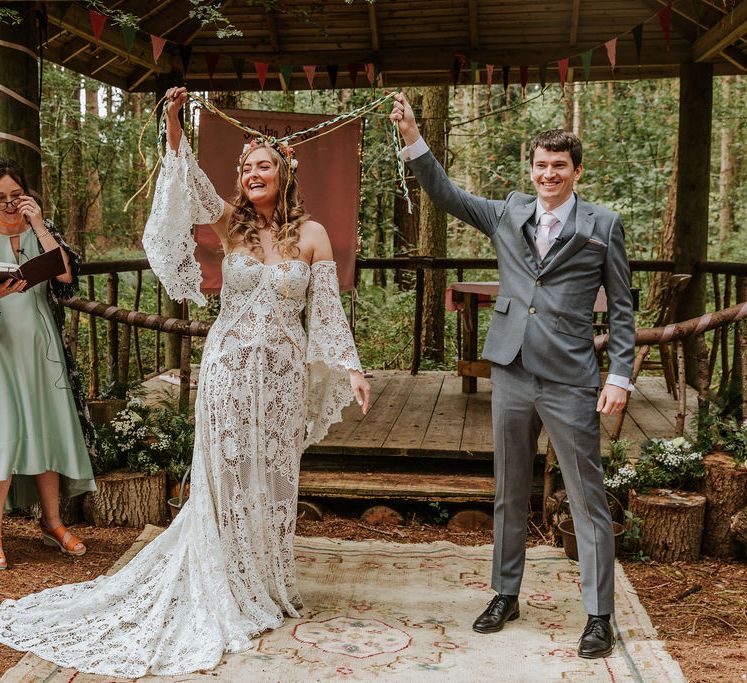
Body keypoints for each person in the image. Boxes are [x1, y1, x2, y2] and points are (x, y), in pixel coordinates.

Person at [0, 88, 370, 677]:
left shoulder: (314, 235)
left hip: (279, 378)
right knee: (224, 481)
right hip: (227, 370)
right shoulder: (230, 225)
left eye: (263, 165)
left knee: (271, 481)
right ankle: (223, 583)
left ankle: (265, 584)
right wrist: (174, 124)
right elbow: (187, 182)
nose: (252, 174)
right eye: (245, 167)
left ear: (286, 173)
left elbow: (325, 313)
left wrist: (350, 368)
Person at [391, 92, 635, 659]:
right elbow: (446, 195)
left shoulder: (604, 225)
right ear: (532, 167)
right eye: (541, 165)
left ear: (576, 171)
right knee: (508, 490)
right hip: (512, 370)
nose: (548, 174)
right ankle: (505, 593)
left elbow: (621, 308)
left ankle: (598, 614)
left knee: (586, 495)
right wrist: (412, 136)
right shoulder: (508, 212)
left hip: (572, 375)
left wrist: (619, 375)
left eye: (559, 166)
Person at [0, 159, 97, 571]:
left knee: (47, 430)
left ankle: (52, 523)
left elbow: (65, 275)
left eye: (15, 197)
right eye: (0, 199)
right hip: (2, 349)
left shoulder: (42, 228)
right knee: (4, 436)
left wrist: (39, 225)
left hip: (42, 348)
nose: (8, 205)